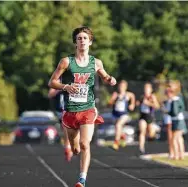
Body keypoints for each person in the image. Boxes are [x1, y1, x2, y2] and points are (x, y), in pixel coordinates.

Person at [48, 26, 116, 187]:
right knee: (76, 148)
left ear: (90, 42)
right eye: (79, 38)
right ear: (75, 42)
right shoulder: (66, 61)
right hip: (71, 110)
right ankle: (73, 148)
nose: (82, 41)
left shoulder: (96, 62)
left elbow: (105, 76)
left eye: (85, 38)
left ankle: (82, 180)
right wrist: (66, 87)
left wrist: (110, 80)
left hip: (88, 108)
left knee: (85, 144)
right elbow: (52, 82)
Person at [48, 81, 73, 162]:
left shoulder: (72, 79)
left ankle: (70, 146)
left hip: (71, 109)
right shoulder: (56, 81)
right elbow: (50, 94)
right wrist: (60, 88)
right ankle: (67, 147)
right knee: (65, 128)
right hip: (60, 111)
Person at [108, 80, 135, 150]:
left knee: (118, 125)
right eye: (120, 86)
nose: (121, 88)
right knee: (118, 128)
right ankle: (123, 136)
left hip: (124, 114)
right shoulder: (115, 94)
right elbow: (109, 104)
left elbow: (133, 97)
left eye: (123, 86)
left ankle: (116, 143)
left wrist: (132, 104)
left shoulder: (128, 94)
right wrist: (113, 99)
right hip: (115, 113)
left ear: (126, 87)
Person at [165, 80, 187, 160]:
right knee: (179, 138)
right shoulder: (175, 99)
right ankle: (181, 154)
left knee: (174, 138)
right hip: (176, 120)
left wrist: (168, 112)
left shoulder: (176, 99)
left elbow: (175, 112)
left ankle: (177, 155)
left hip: (177, 120)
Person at [137, 83, 160, 154]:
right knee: (142, 131)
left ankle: (154, 132)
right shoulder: (142, 97)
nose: (146, 90)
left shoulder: (152, 97)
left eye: (147, 89)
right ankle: (141, 148)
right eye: (145, 89)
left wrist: (148, 103)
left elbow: (157, 106)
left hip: (150, 117)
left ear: (151, 90)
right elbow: (138, 104)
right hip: (143, 116)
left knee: (150, 134)